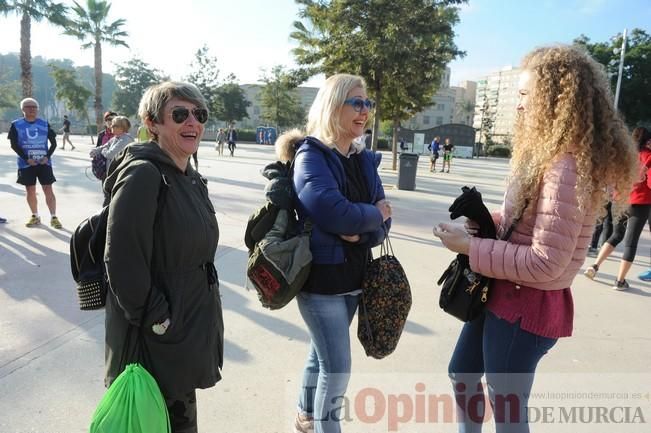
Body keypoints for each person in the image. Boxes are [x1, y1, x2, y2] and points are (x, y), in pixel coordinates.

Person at [433, 45, 636, 433]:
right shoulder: (552, 155)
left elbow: (546, 261)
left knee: (508, 412)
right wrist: (478, 222)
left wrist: (470, 248)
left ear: (557, 100)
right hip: (503, 294)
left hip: (526, 306)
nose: (520, 106)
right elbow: (523, 224)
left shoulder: (568, 166)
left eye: (526, 96)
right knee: (462, 374)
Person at [102, 81, 223, 433]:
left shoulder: (189, 177)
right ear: (152, 123)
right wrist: (158, 318)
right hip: (154, 343)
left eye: (199, 115)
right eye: (180, 114)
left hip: (183, 338)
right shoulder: (143, 174)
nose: (193, 123)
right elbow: (121, 259)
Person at [276, 73, 392, 433]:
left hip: (355, 275)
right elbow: (331, 209)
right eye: (356, 103)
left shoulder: (361, 159)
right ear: (333, 105)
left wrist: (362, 233)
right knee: (337, 368)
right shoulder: (312, 155)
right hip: (321, 280)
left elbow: (384, 220)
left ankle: (304, 415)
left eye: (367, 104)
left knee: (320, 352)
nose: (364, 111)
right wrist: (373, 215)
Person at [583, 126, 651, 290]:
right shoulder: (648, 157)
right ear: (647, 141)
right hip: (639, 203)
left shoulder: (626, 156)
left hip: (620, 200)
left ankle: (595, 266)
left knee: (616, 234)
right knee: (631, 243)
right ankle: (620, 281)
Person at [8, 97, 63, 229]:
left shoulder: (44, 123)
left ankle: (54, 217)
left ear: (37, 109)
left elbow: (54, 143)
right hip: (26, 164)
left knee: (48, 189)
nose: (31, 109)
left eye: (34, 107)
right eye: (28, 107)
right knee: (30, 190)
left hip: (44, 163)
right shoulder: (16, 124)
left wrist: (47, 157)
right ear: (22, 109)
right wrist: (26, 158)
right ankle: (35, 216)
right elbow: (14, 145)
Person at [90, 115, 135, 206]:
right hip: (111, 172)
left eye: (114, 125)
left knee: (111, 198)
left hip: (119, 173)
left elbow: (110, 154)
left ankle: (106, 218)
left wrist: (102, 151)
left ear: (122, 127)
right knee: (108, 196)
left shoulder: (125, 139)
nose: (111, 127)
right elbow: (105, 146)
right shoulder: (116, 138)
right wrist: (95, 151)